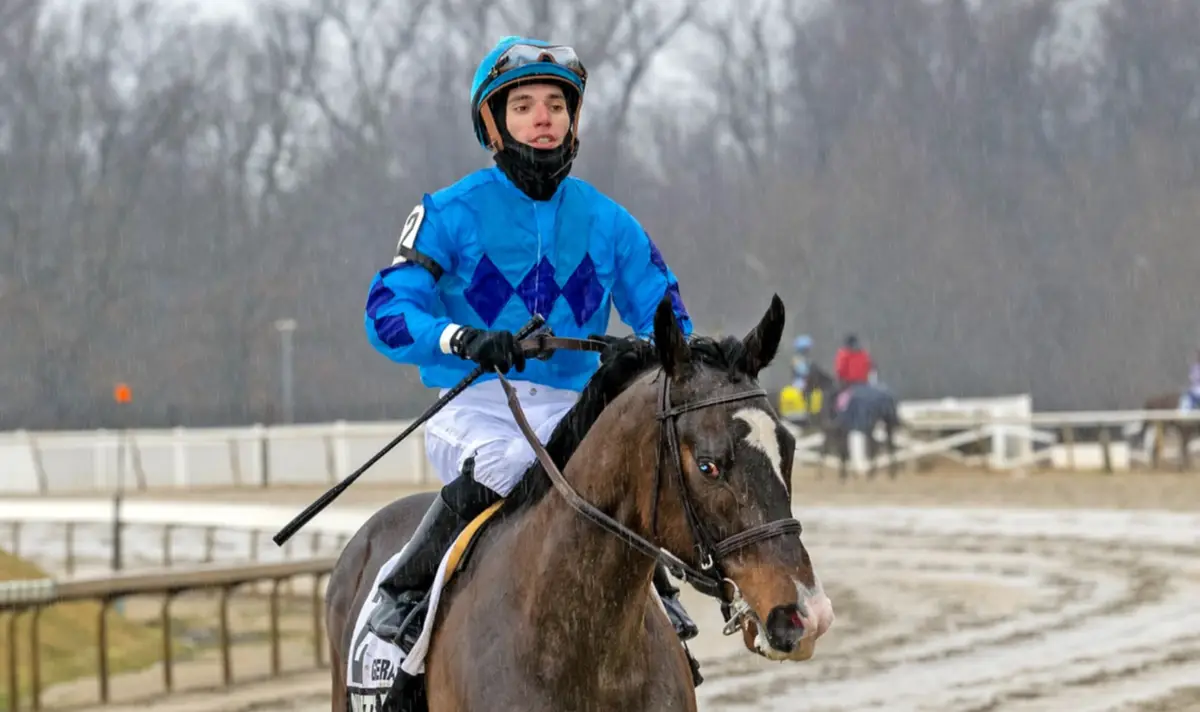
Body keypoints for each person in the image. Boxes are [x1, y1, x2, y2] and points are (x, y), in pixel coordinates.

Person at [361, 35, 702, 680]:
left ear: (574, 121)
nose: (542, 118)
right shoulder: (448, 212)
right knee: (519, 464)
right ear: (493, 123)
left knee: (633, 469)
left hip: (578, 409)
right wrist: (458, 339)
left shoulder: (609, 222)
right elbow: (386, 309)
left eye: (555, 104)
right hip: (478, 407)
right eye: (523, 105)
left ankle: (654, 589)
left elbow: (665, 312)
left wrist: (664, 351)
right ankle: (405, 591)